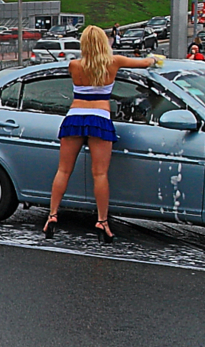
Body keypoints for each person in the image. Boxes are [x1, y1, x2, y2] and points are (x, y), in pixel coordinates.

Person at [45, 26, 155, 243]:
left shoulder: (74, 65)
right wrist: (154, 59)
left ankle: (52, 215)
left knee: (64, 170)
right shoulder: (114, 62)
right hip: (99, 118)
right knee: (100, 174)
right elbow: (145, 63)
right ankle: (102, 221)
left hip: (75, 116)